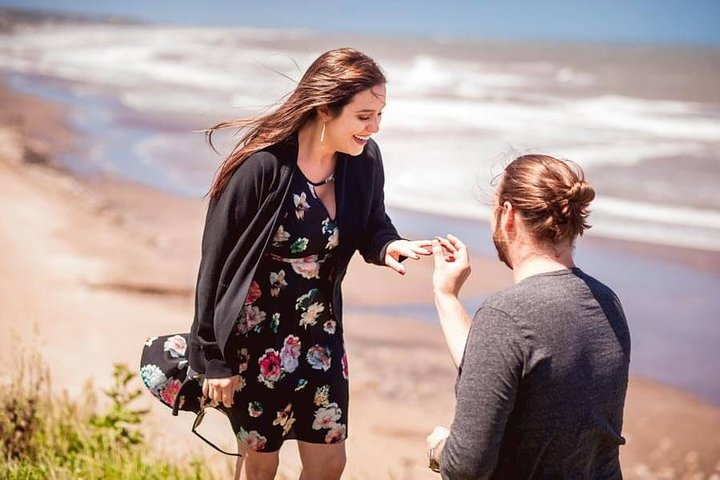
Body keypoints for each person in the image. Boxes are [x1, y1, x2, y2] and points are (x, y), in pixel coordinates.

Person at [187, 48, 431, 480]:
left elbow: (374, 223)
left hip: (321, 334)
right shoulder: (261, 167)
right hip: (254, 337)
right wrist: (213, 359)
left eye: (379, 114)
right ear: (324, 108)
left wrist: (389, 247)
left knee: (329, 463)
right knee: (260, 466)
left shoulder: (364, 161)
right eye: (363, 116)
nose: (374, 127)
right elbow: (215, 265)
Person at [426, 154, 631, 479]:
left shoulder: (506, 315)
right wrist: (446, 295)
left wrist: (440, 448)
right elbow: (496, 371)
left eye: (493, 209)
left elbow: (466, 467)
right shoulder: (607, 303)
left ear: (507, 215)